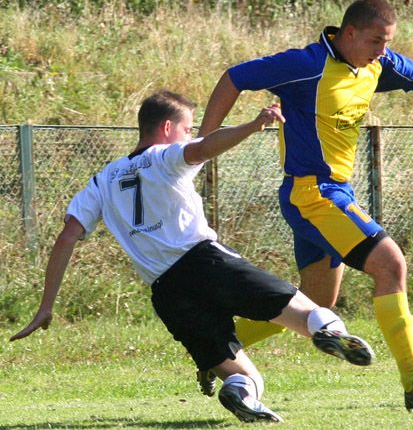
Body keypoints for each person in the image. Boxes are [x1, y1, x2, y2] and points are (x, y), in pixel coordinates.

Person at [9, 90, 375, 423]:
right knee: (311, 314)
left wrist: (46, 306)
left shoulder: (102, 180)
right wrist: (253, 125)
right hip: (206, 263)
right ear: (168, 128)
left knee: (245, 377)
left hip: (167, 293)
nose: (190, 136)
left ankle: (241, 393)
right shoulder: (163, 157)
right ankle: (331, 333)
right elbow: (202, 149)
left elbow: (67, 237)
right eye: (187, 129)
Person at [198, 0, 413, 412]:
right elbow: (234, 77)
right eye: (375, 41)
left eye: (387, 42)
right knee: (391, 264)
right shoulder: (306, 65)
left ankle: (214, 345)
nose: (382, 51)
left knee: (316, 303)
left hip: (334, 193)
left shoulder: (376, 64)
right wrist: (204, 142)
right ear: (349, 33)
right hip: (312, 194)